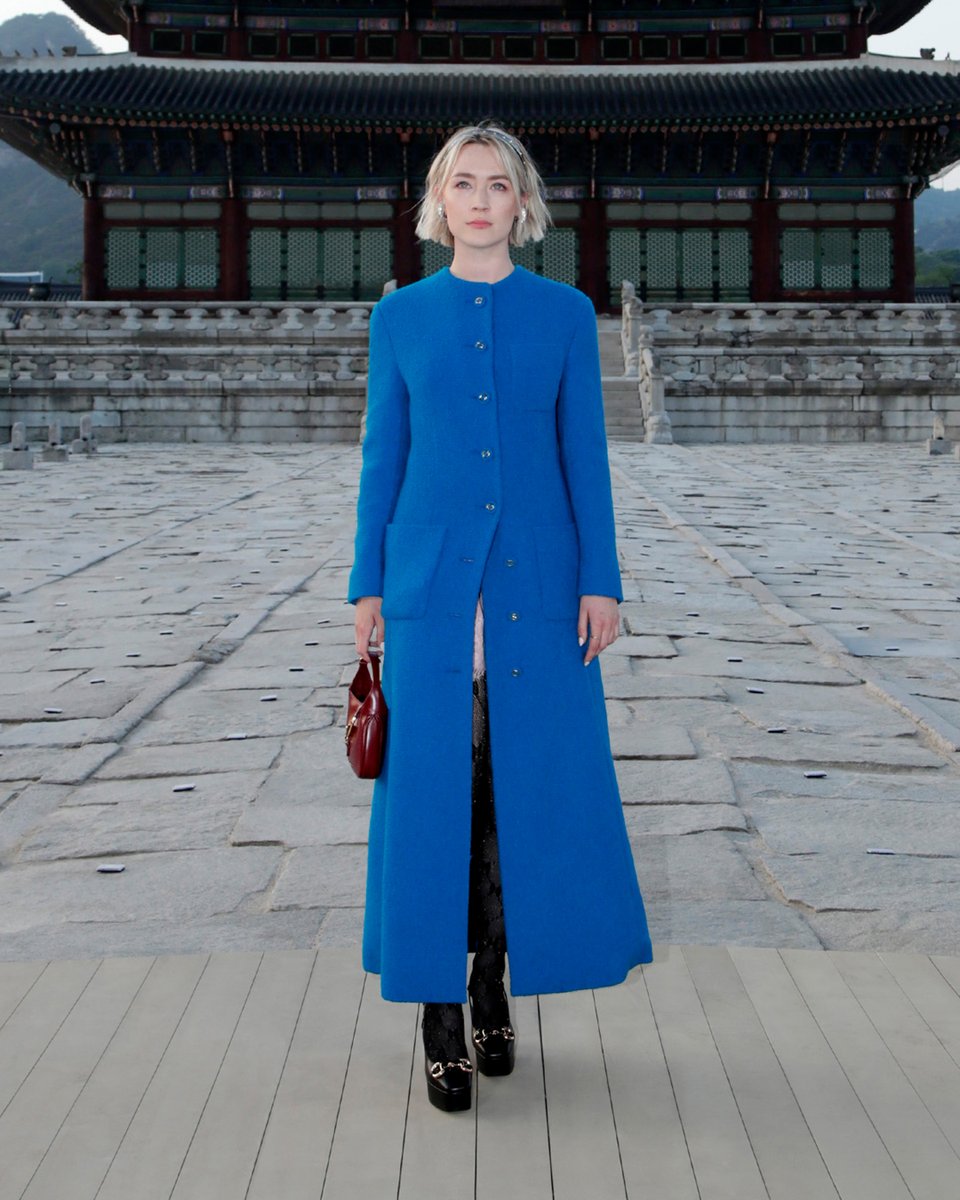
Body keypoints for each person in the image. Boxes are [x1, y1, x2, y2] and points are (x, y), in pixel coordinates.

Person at [348, 123, 652, 1113]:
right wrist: (366, 587)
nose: (481, 200)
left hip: (538, 590)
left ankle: (492, 990)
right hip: (430, 593)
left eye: (498, 185)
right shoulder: (401, 319)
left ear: (525, 203)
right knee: (434, 795)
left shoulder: (565, 315)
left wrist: (599, 581)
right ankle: (437, 1015)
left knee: (514, 794)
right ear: (439, 203)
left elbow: (586, 463)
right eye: (462, 184)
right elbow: (380, 463)